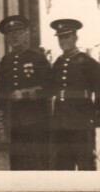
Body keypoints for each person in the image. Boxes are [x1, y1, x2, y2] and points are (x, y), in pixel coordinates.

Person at [0, 15, 51, 170]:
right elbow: (0, 92)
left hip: (37, 122)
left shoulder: (37, 58)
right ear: (6, 37)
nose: (14, 36)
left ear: (27, 33)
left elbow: (49, 88)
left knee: (37, 164)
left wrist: (25, 94)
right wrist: (0, 124)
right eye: (10, 33)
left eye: (18, 32)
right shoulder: (6, 60)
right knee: (17, 164)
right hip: (14, 123)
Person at [50, 19, 100, 170]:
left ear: (75, 37)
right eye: (61, 38)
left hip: (82, 121)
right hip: (61, 122)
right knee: (63, 164)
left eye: (67, 37)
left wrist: (96, 117)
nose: (64, 41)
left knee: (85, 162)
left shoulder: (87, 62)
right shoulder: (58, 63)